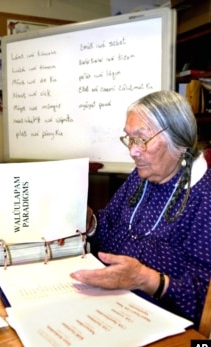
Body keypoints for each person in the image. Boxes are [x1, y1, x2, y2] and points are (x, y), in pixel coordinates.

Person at [70, 90, 211, 328]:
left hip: (160, 322)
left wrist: (144, 279)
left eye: (141, 139)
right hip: (108, 301)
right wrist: (90, 222)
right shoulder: (141, 176)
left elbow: (203, 299)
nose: (132, 151)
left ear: (180, 142)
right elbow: (110, 225)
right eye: (129, 139)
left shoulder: (204, 198)